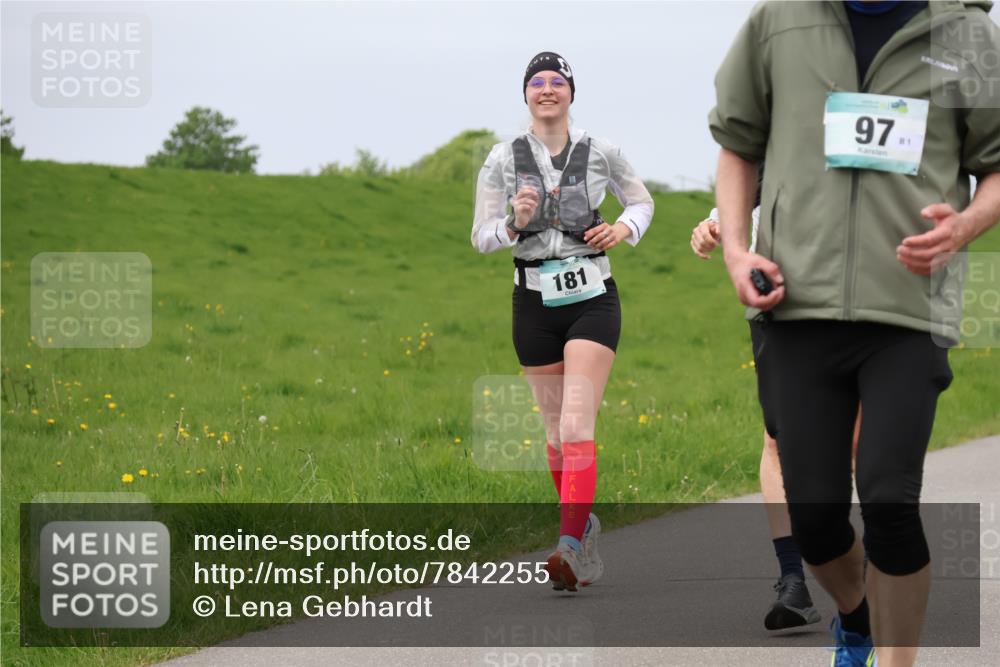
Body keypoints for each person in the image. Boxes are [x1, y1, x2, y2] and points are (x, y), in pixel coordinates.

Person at [710, 1, 1000, 665]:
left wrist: (963, 227)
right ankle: (859, 614)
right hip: (797, 303)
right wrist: (735, 249)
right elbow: (737, 143)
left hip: (906, 310)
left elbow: (997, 164)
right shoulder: (777, 20)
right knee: (815, 518)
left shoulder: (969, 33)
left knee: (889, 498)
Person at [471, 51, 654, 592]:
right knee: (555, 434)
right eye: (537, 82)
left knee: (576, 425)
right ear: (525, 94)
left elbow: (641, 203)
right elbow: (481, 236)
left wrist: (623, 230)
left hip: (592, 294)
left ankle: (570, 547)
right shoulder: (502, 158)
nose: (547, 89)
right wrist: (514, 222)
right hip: (531, 301)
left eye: (557, 82)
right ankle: (584, 526)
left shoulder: (603, 151)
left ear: (571, 93)